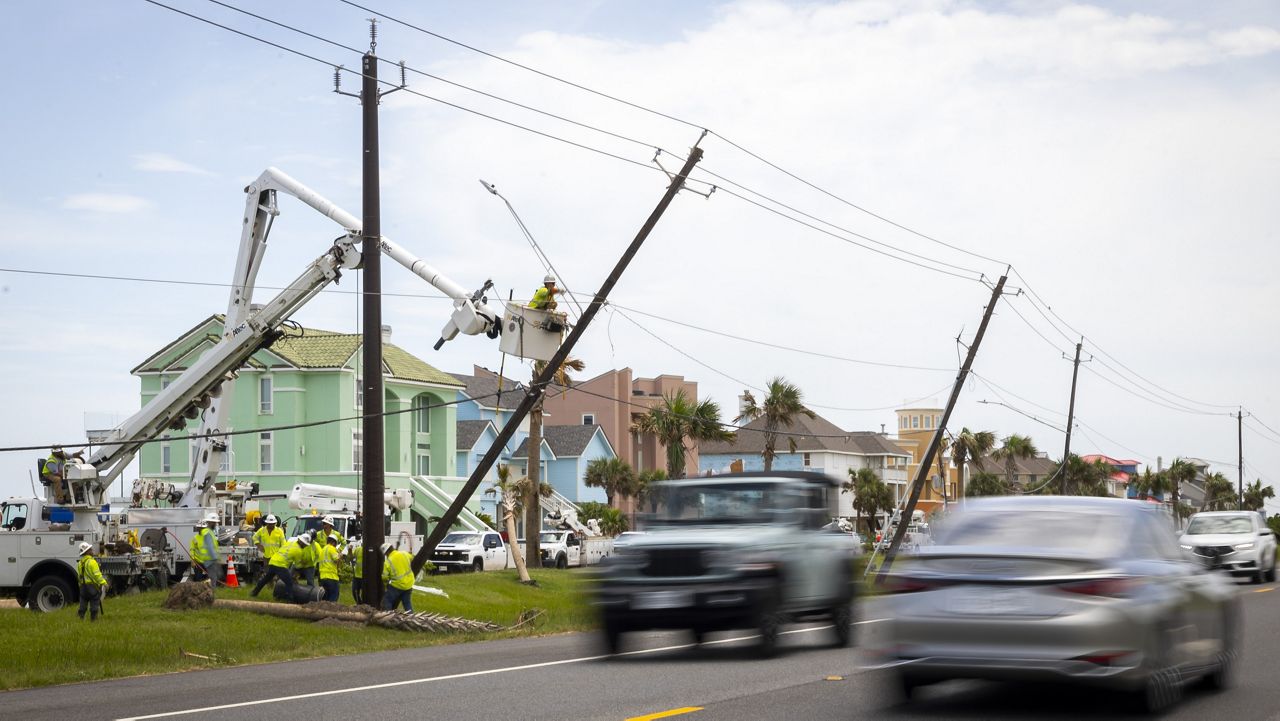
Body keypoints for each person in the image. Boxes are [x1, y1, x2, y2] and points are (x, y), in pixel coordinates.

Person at [189, 513, 220, 594]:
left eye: (202, 528)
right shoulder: (195, 538)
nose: (200, 529)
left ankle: (207, 592)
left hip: (206, 561)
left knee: (210, 578)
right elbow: (192, 549)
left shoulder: (207, 535)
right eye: (199, 528)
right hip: (198, 562)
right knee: (198, 578)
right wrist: (192, 560)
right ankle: (197, 592)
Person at [76, 541, 108, 621]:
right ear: (87, 552)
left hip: (83, 587)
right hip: (92, 587)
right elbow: (97, 575)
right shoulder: (92, 562)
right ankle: (93, 620)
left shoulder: (80, 563)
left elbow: (79, 576)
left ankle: (80, 618)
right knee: (94, 602)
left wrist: (80, 585)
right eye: (90, 549)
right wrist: (104, 583)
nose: (92, 551)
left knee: (83, 603)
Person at [381, 542, 415, 613]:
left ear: (386, 552)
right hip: (409, 584)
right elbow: (412, 557)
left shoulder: (388, 561)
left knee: (387, 601)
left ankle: (388, 618)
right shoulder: (404, 553)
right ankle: (411, 618)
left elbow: (384, 577)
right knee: (407, 603)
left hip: (397, 585)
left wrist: (386, 583)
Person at [315, 532, 342, 603]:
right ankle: (331, 613)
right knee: (333, 596)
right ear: (333, 542)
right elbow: (337, 559)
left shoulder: (322, 550)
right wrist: (340, 554)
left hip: (322, 577)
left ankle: (323, 612)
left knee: (325, 598)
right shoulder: (332, 548)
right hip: (332, 577)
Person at [346, 537, 364, 605]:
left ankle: (364, 606)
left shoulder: (369, 551)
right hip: (357, 575)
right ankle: (360, 604)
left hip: (365, 577)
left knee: (364, 594)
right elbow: (351, 557)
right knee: (355, 592)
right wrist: (350, 550)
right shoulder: (358, 549)